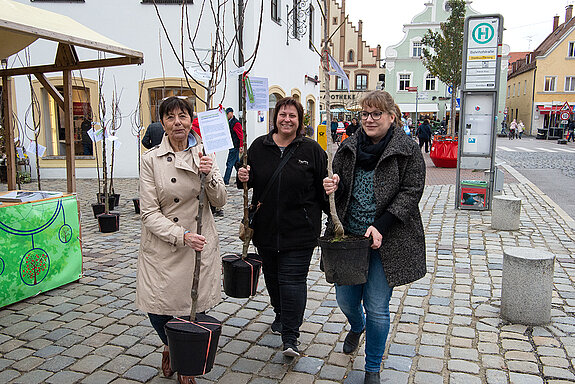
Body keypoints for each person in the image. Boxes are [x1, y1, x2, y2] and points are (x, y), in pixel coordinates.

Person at [323, 90, 426, 384]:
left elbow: (411, 192)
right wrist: (334, 187)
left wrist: (381, 225)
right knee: (345, 300)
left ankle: (372, 369)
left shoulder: (407, 149)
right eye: (365, 114)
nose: (369, 119)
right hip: (350, 239)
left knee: (378, 306)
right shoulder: (348, 146)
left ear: (391, 117)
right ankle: (357, 326)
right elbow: (341, 191)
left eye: (376, 114)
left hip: (388, 239)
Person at [136, 96, 227, 384]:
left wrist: (210, 173)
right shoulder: (150, 160)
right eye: (171, 117)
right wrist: (181, 235)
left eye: (183, 116)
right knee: (157, 309)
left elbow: (220, 200)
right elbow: (149, 213)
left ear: (191, 120)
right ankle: (169, 345)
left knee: (195, 308)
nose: (178, 122)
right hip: (166, 243)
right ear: (162, 122)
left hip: (199, 242)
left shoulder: (204, 152)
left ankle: (186, 362)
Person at [237, 97, 328, 358]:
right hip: (265, 229)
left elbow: (324, 190)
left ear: (300, 121)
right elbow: (248, 181)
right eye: (282, 115)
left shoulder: (310, 149)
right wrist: (244, 176)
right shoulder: (258, 146)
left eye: (292, 116)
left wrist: (333, 203)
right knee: (273, 278)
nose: (287, 119)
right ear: (275, 118)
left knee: (293, 281)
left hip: (300, 230)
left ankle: (291, 336)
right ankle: (279, 313)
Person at [224, 107, 244, 185]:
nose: (227, 115)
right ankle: (240, 179)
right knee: (237, 164)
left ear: (231, 113)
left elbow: (240, 135)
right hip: (232, 145)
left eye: (227, 114)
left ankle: (225, 181)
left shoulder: (236, 123)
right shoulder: (229, 122)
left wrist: (241, 146)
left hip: (235, 146)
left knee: (229, 164)